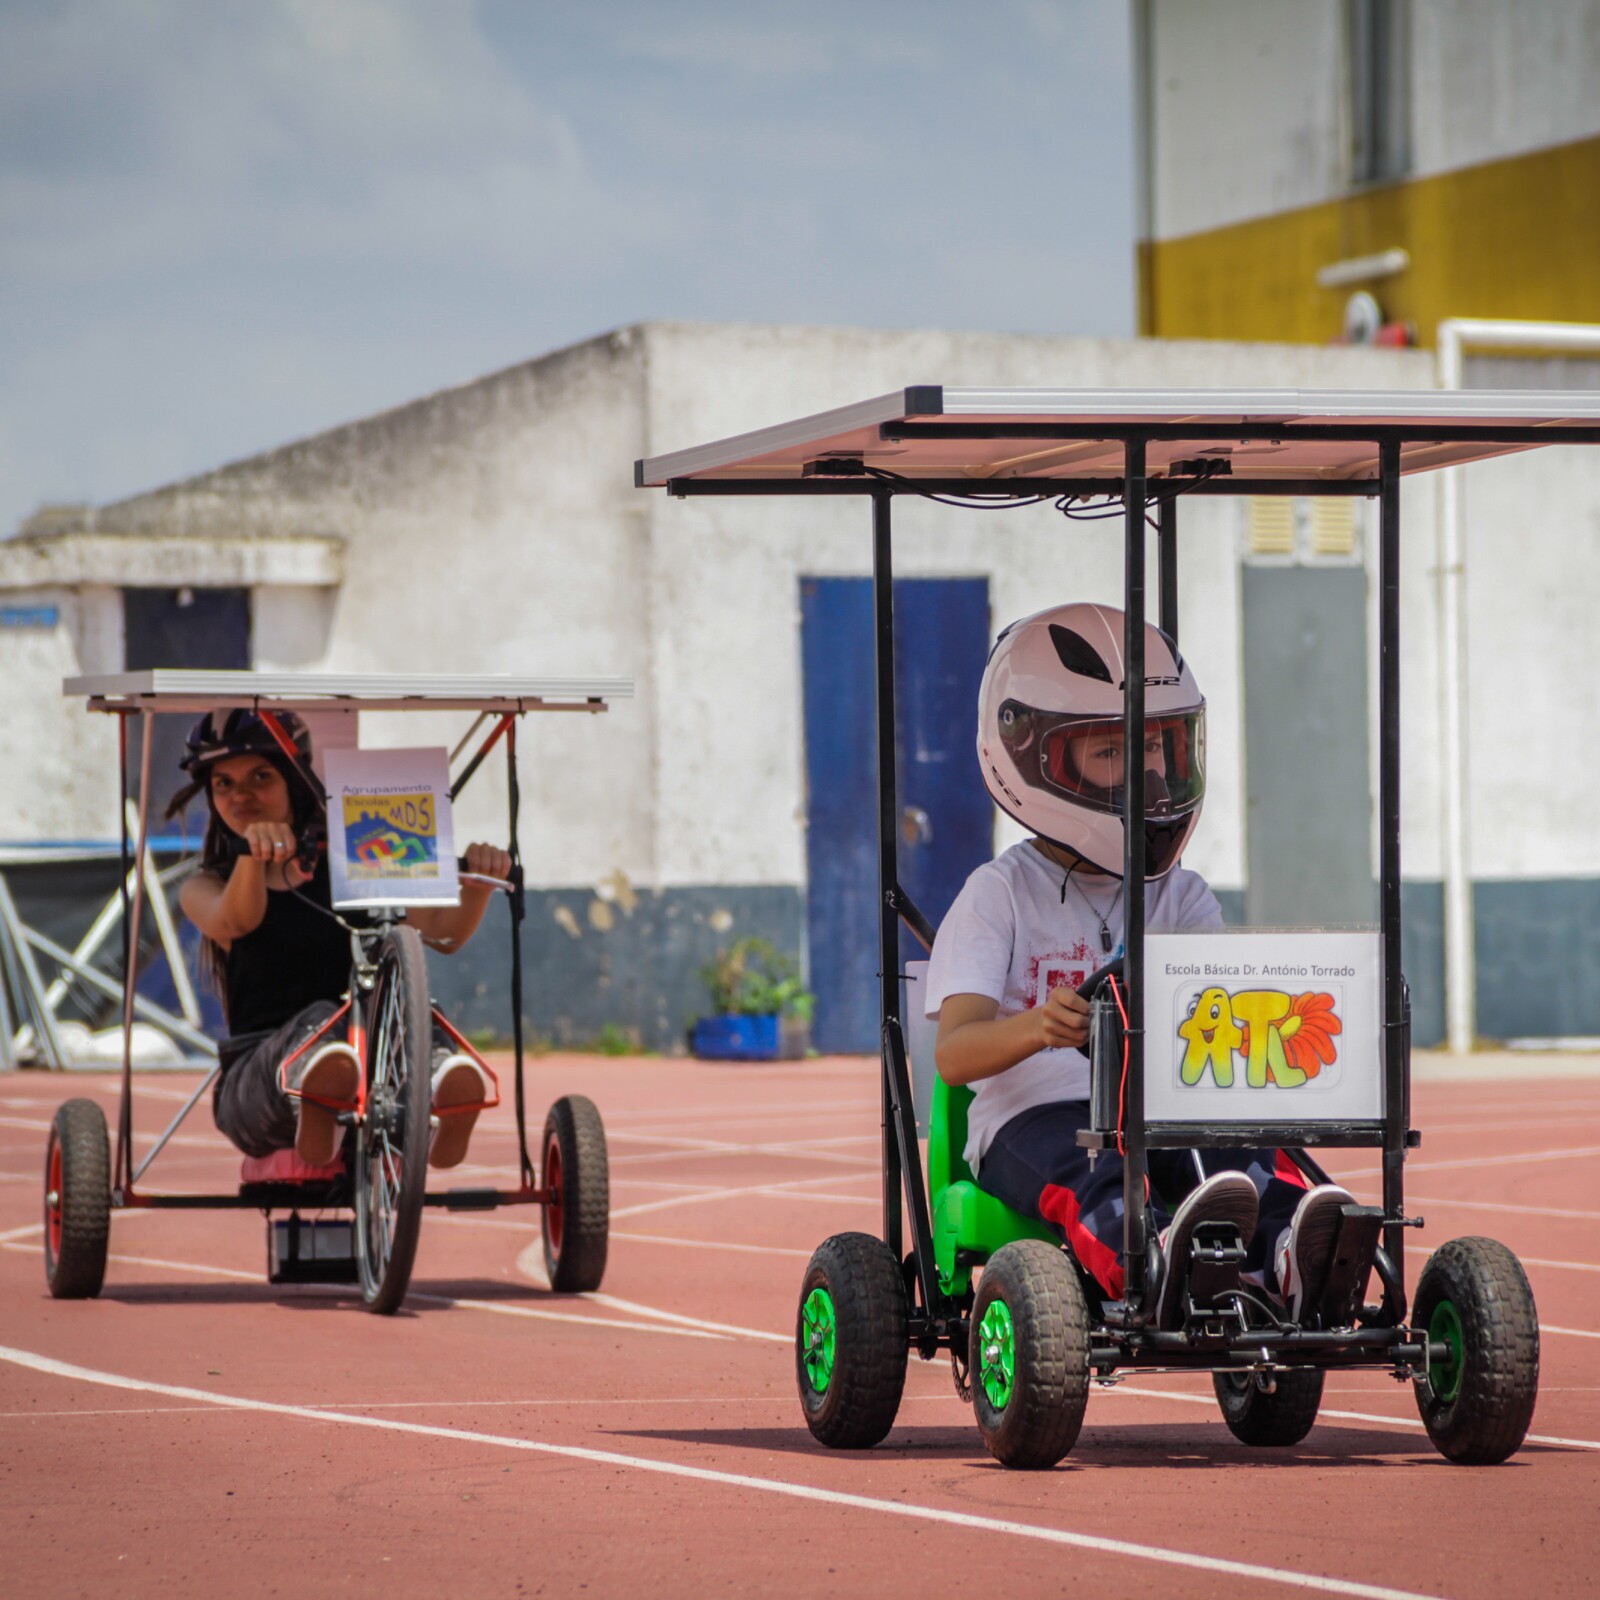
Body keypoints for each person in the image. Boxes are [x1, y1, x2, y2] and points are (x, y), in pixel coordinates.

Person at [925, 602, 1351, 1326]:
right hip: (1036, 1118)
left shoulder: (1180, 896)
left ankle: (1294, 1253)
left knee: (1245, 1154)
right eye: (1112, 751)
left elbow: (1218, 1028)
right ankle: (1151, 1264)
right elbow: (956, 1055)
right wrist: (1038, 1027)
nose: (1146, 773)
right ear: (1039, 757)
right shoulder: (999, 895)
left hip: (1159, 1107)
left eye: (1154, 748)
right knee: (1101, 1174)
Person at [171, 709, 510, 1172]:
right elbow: (237, 921)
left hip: (374, 1085)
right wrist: (252, 854)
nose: (241, 794)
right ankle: (320, 1087)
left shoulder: (353, 865)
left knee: (412, 1009)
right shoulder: (205, 886)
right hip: (257, 1090)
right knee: (322, 1018)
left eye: (260, 776)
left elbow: (441, 933)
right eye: (223, 784)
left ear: (296, 782)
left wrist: (478, 885)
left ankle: (440, 1080)